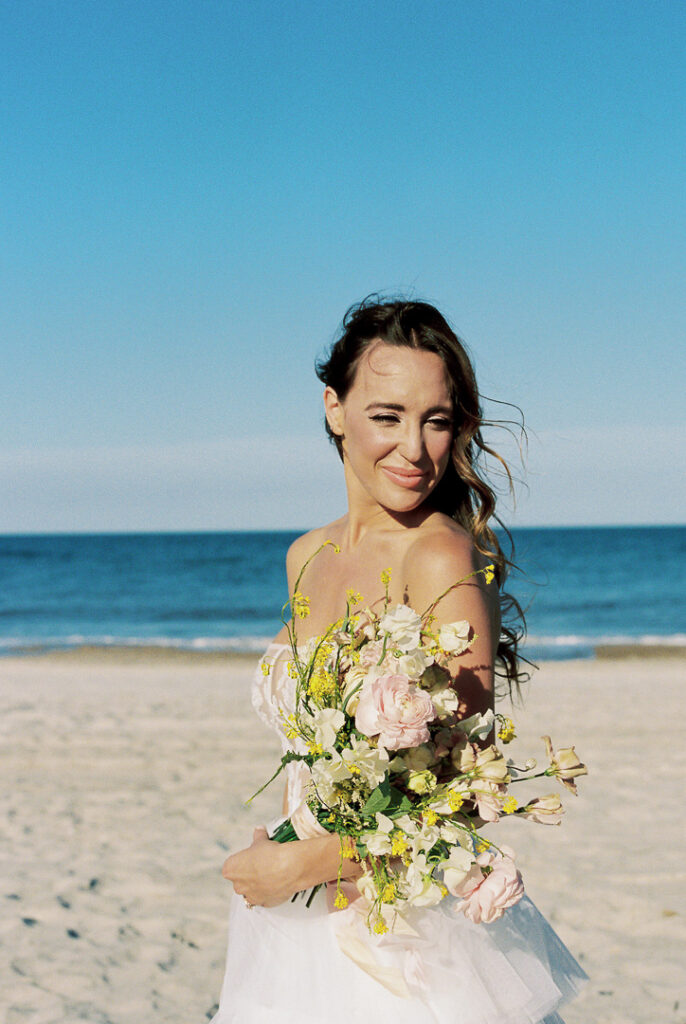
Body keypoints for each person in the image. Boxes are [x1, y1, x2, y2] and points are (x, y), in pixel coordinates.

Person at [211, 299, 586, 1023]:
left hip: (408, 932)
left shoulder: (442, 554)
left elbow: (460, 781)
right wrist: (284, 853)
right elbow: (311, 753)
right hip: (299, 922)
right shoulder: (306, 555)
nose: (415, 449)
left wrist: (303, 864)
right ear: (334, 409)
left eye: (437, 421)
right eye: (387, 416)